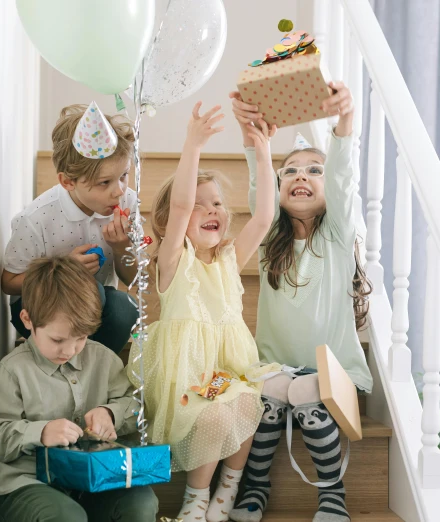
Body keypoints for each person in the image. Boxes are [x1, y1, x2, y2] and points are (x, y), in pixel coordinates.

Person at [228, 82, 373, 522]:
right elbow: (260, 188)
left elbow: (344, 175)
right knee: (270, 390)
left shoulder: (337, 235)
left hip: (334, 373)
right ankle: (254, 488)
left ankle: (332, 496)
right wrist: (256, 138)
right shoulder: (271, 235)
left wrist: (345, 122)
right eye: (290, 171)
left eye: (314, 171)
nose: (301, 177)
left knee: (309, 389)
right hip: (275, 368)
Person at [127, 102, 276, 522]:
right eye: (202, 203)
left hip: (228, 370)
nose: (213, 209)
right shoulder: (175, 260)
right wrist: (192, 144)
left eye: (218, 204)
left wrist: (263, 156)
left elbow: (264, 217)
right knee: (211, 417)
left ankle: (227, 491)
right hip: (186, 376)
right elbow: (179, 207)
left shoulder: (229, 259)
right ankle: (195, 498)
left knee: (247, 405)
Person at [0, 256, 158, 522]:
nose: (68, 350)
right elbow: (0, 438)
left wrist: (110, 413)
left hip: (93, 480)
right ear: (28, 320)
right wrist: (41, 432)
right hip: (27, 482)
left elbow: (135, 406)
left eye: (80, 338)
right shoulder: (13, 370)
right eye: (57, 339)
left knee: (141, 502)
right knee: (67, 517)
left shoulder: (103, 359)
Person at [1, 102, 138, 353]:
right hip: (37, 310)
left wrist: (122, 248)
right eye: (104, 182)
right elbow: (8, 282)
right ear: (67, 182)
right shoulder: (36, 218)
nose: (119, 190)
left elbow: (133, 279)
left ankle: (93, 368)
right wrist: (62, 270)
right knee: (88, 289)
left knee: (124, 307)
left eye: (123, 175)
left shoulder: (127, 202)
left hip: (99, 309)